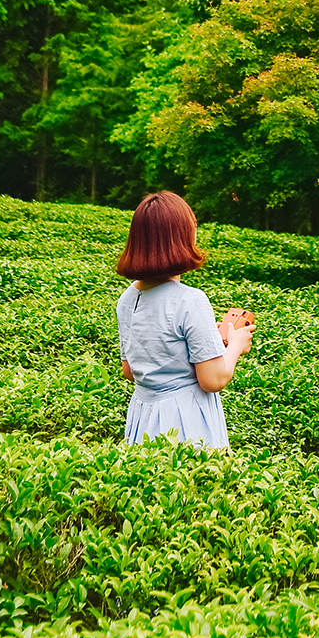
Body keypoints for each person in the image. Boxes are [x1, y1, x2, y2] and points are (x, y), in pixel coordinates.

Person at [115, 190, 254, 449]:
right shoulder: (190, 300)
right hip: (185, 419)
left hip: (143, 416)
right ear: (180, 239)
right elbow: (213, 380)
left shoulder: (126, 298)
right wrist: (235, 344)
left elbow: (129, 371)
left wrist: (208, 343)